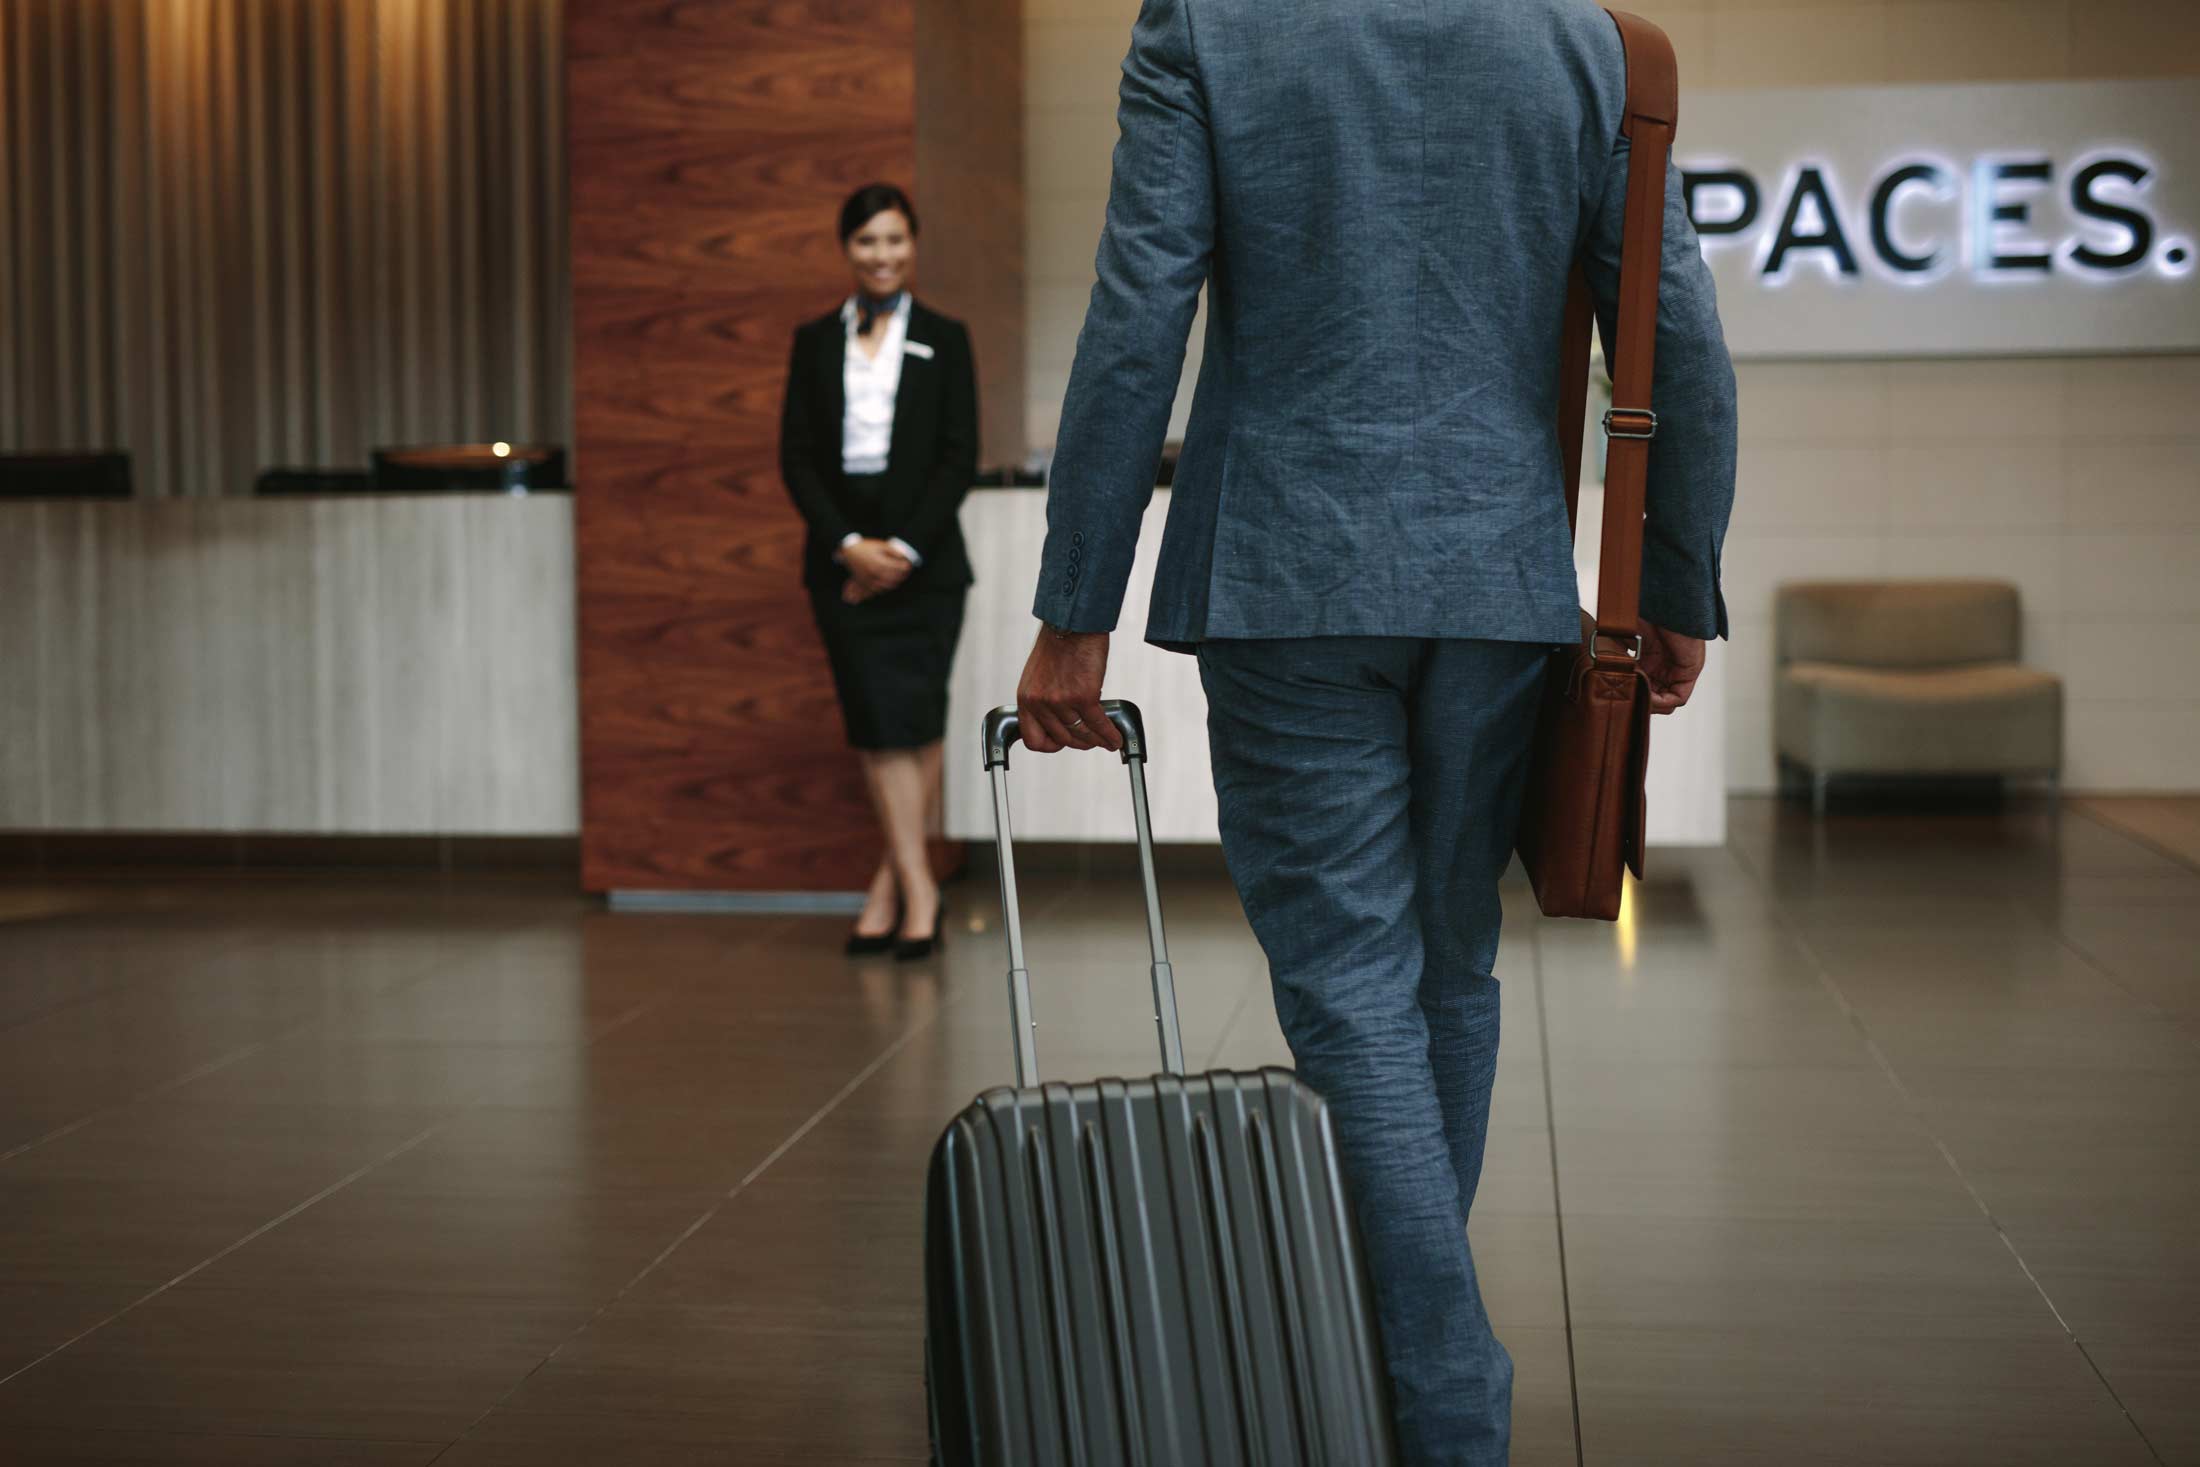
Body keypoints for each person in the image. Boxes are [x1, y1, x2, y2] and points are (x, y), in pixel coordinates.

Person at [1014, 2, 1736, 1462]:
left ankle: (1446, 1388)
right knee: (1445, 961)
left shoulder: (1208, 27)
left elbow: (1139, 304)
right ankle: (1403, 1358)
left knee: (1349, 982)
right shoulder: (1580, 41)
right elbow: (1675, 325)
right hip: (1495, 572)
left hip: (1288, 571)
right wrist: (1675, 580)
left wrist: (1076, 599)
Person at [780, 183, 978, 961]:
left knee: (918, 720)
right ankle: (912, 882)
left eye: (895, 239)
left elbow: (958, 456)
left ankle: (894, 888)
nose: (883, 255)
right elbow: (796, 458)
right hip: (840, 564)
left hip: (927, 565)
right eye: (867, 241)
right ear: (846, 249)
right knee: (878, 725)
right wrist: (849, 548)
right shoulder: (811, 341)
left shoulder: (945, 336)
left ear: (914, 244)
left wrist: (900, 551)